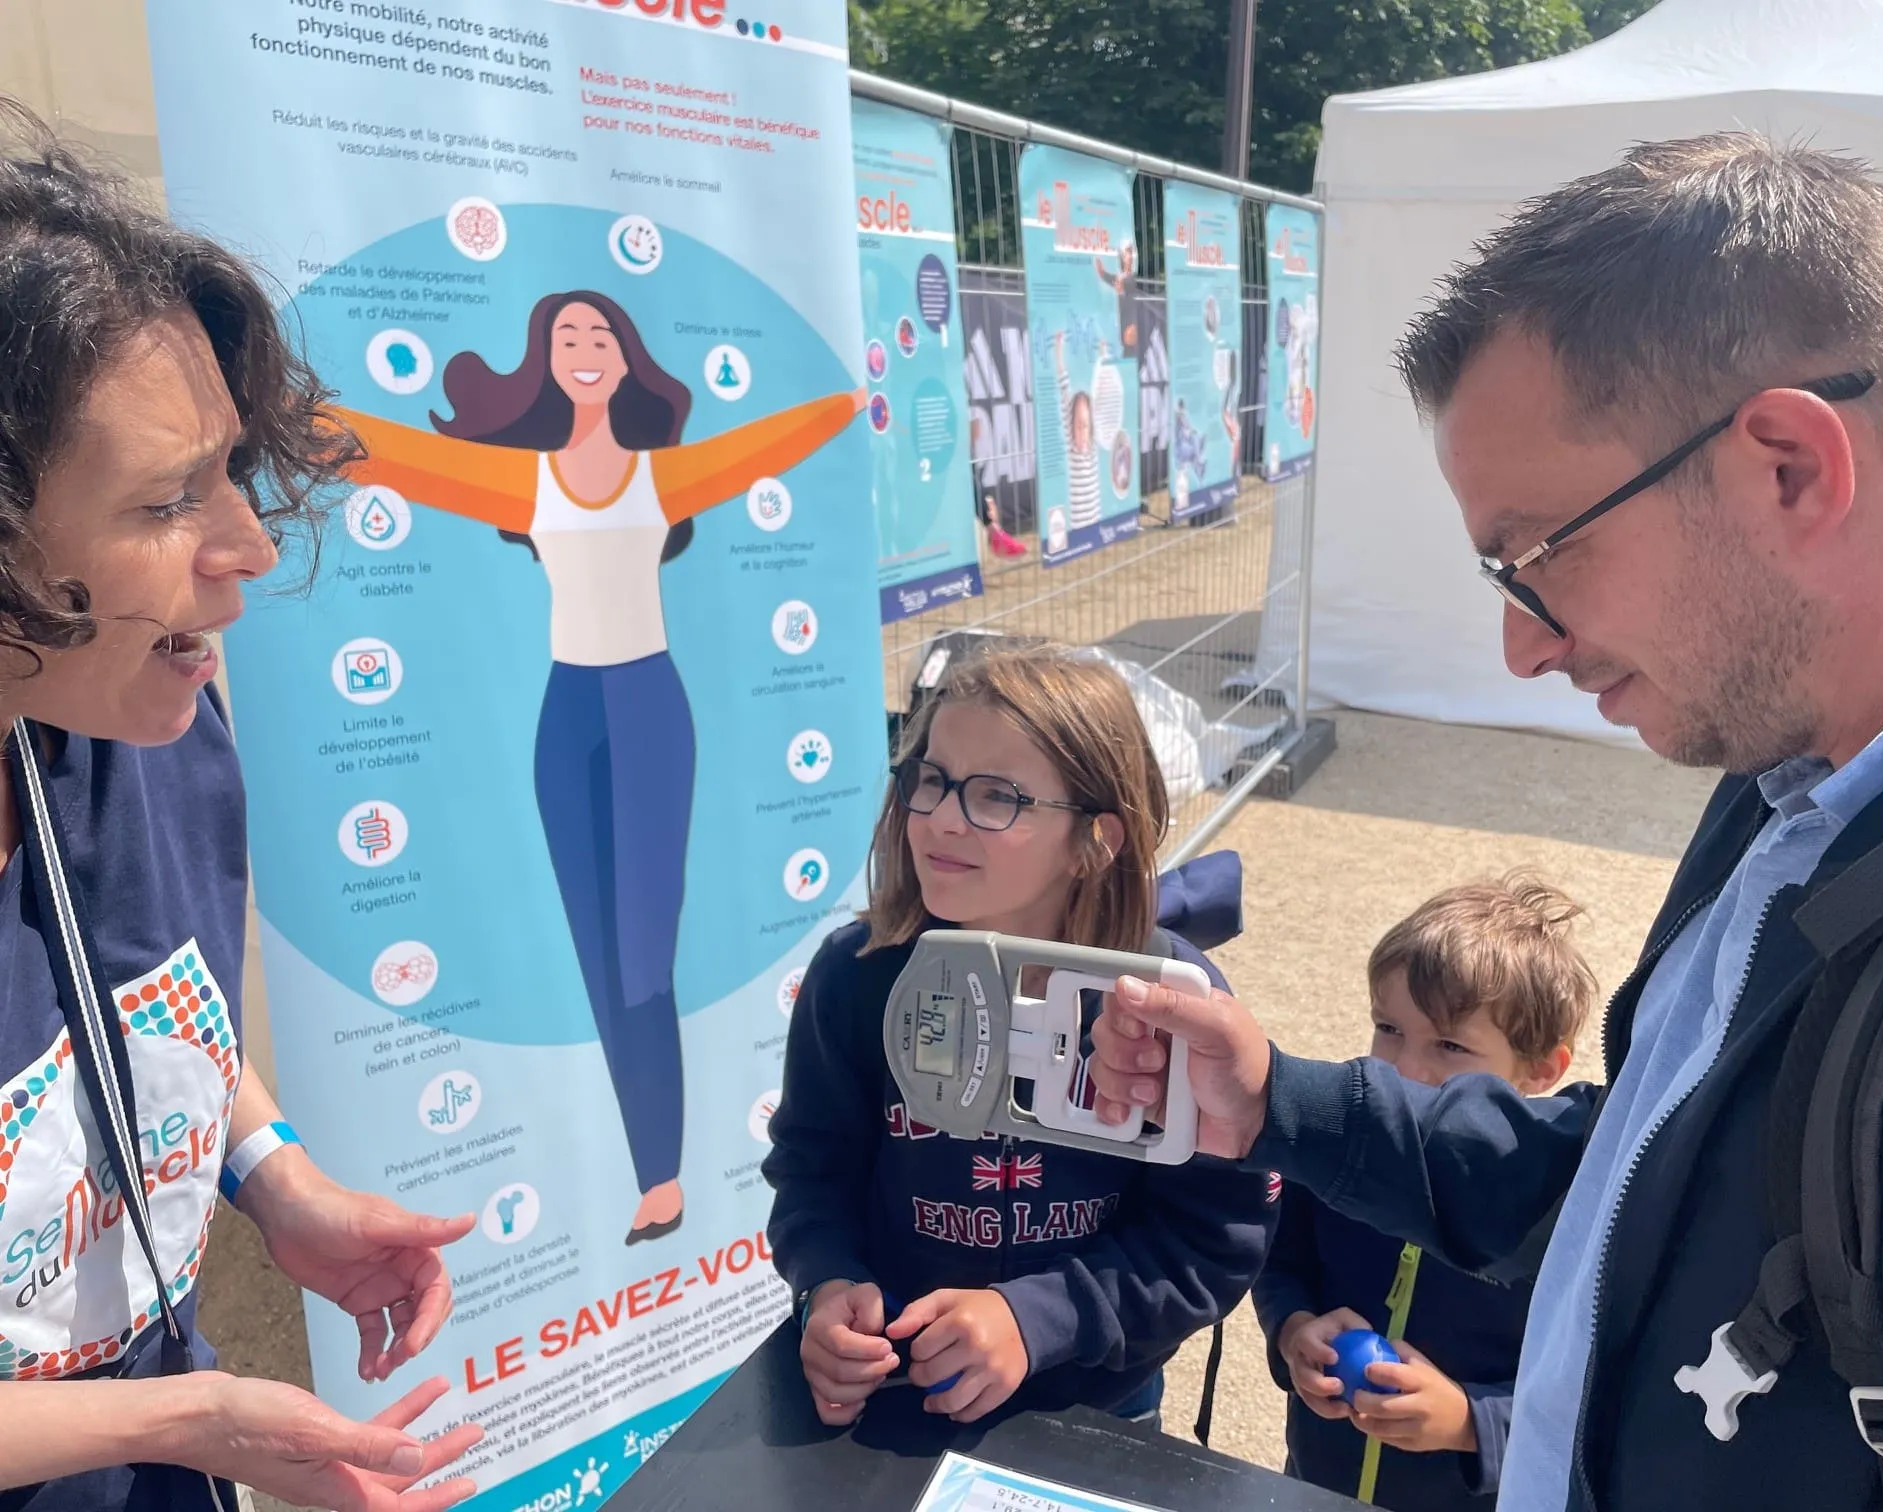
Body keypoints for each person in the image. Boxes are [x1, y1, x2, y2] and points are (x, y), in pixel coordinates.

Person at [1088, 133, 1883, 1510]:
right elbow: (1640, 1174)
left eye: (1535, 558)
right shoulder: (1795, 780)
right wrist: (1275, 1100)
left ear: (1787, 469)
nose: (1524, 650)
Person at [0, 104, 478, 1512]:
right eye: (164, 503)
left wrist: (272, 1177)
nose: (250, 550)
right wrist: (183, 1417)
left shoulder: (136, 717)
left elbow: (152, 999)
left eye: (232, 473)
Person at [338, 294, 860, 1245]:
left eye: (603, 337)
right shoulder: (524, 481)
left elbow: (786, 434)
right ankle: (650, 1172)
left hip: (649, 713)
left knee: (643, 959)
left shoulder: (664, 478)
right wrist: (276, 409)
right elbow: (386, 452)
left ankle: (663, 1171)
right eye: (566, 338)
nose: (585, 350)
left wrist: (845, 402)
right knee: (596, 957)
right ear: (545, 361)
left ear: (627, 363)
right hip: (566, 716)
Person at [761, 645, 1273, 1430]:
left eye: (996, 796)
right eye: (930, 779)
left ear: (1098, 839)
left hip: (1096, 1408)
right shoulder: (856, 978)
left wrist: (1044, 1317)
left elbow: (1211, 1239)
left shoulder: (1175, 1005)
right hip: (898, 1399)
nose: (938, 816)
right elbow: (811, 1171)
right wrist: (826, 1283)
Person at [1255, 875, 1592, 1511]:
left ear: (1542, 1070)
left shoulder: (1557, 1210)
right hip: (1317, 1482)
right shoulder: (1345, 1156)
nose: (1404, 1069)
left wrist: (1470, 1421)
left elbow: (1589, 1397)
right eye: (1388, 1028)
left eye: (1449, 1045)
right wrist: (1295, 1329)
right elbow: (1282, 1261)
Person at [1050, 332, 1103, 533]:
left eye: (1085, 425)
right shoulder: (1071, 449)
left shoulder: (1093, 447)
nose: (1081, 431)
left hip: (1095, 520)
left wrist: (1102, 355)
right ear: (1070, 426)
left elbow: (1100, 388)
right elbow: (1064, 387)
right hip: (1079, 527)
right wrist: (1058, 348)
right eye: (1077, 425)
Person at [1094, 242, 1141, 359]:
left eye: (1131, 253)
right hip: (1124, 329)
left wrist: (1120, 288)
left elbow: (1124, 284)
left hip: (1132, 328)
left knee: (1131, 354)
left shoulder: (1134, 278)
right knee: (1127, 355)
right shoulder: (1119, 278)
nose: (1130, 256)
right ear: (1122, 257)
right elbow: (1105, 275)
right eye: (1127, 254)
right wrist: (1098, 258)